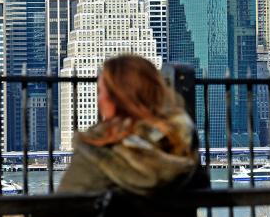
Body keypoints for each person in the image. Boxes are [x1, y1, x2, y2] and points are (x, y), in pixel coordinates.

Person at [58, 54, 207, 196]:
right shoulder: (184, 144)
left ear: (115, 99)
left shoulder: (96, 152)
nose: (99, 99)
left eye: (100, 92)